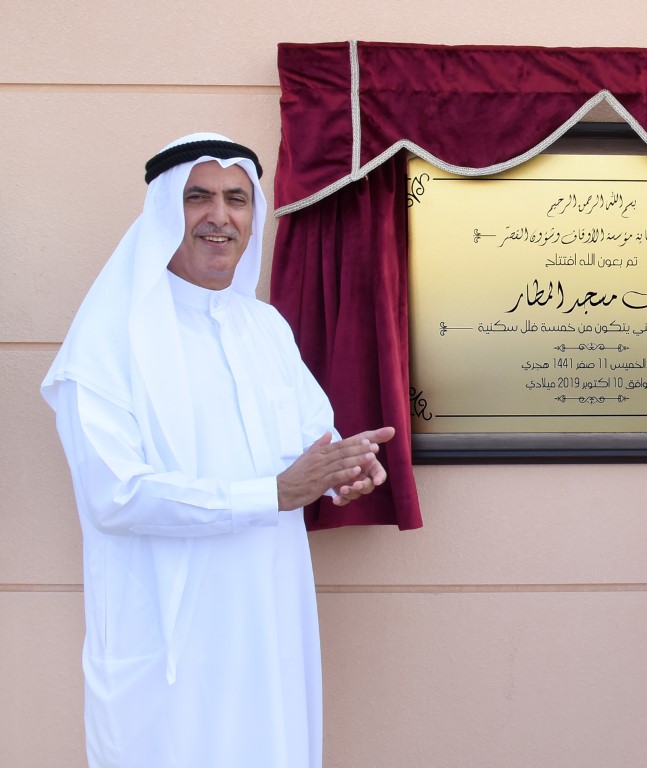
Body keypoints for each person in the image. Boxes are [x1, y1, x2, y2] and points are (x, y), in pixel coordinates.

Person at [41, 133, 395, 768]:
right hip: (169, 639)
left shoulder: (265, 327)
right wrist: (272, 494)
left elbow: (312, 441)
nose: (219, 216)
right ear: (162, 211)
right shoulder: (107, 341)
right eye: (197, 197)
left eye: (237, 199)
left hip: (268, 625)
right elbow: (114, 496)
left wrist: (346, 468)